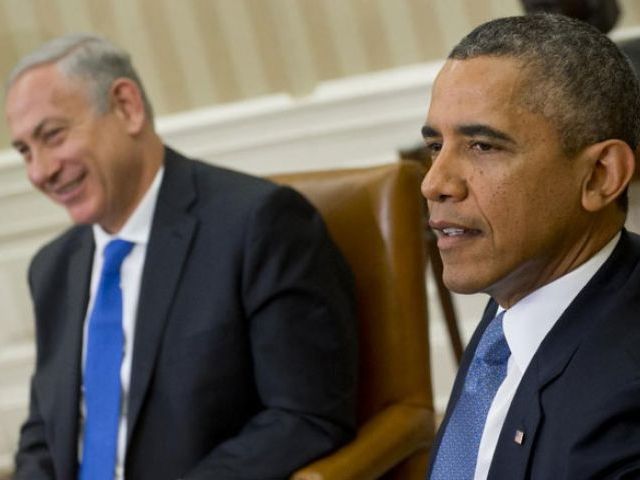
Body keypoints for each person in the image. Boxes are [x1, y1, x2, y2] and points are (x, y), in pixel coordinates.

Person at [5, 34, 358, 480]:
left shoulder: (258, 225)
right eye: (24, 151)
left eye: (52, 136)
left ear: (127, 106)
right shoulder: (53, 268)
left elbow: (305, 417)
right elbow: (44, 434)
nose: (40, 171)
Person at [421, 14, 640, 479]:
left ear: (600, 175)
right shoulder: (521, 291)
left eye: (482, 146)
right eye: (435, 146)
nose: (434, 182)